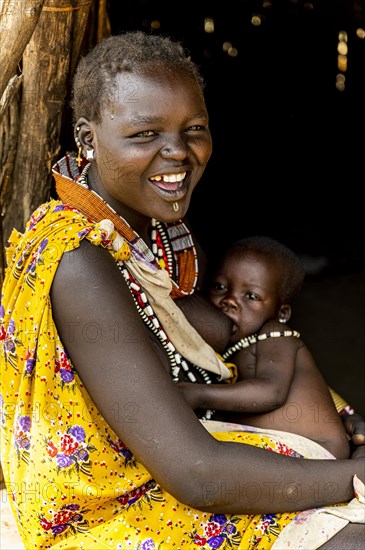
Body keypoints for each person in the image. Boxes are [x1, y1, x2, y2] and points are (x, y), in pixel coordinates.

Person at [0, 31, 364, 550]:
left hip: (159, 457)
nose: (178, 153)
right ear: (88, 138)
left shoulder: (143, 233)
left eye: (194, 129)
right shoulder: (78, 257)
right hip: (100, 501)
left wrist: (339, 414)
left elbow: (220, 341)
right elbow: (197, 475)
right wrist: (355, 476)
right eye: (145, 134)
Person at [177, 236, 350, 459]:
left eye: (251, 296)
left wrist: (199, 395)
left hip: (315, 451)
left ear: (282, 313)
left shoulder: (274, 334)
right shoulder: (225, 352)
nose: (229, 300)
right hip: (279, 453)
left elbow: (271, 391)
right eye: (220, 286)